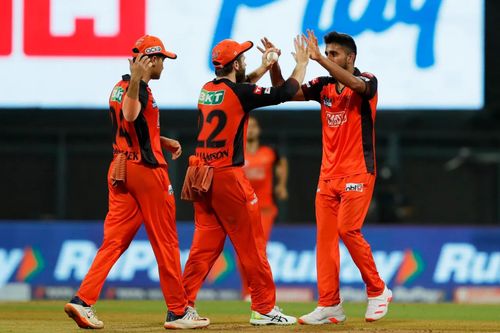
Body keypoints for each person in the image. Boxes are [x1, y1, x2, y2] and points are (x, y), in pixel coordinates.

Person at [63, 35, 209, 330]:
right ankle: (178, 312)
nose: (164, 66)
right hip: (146, 171)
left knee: (113, 242)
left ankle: (83, 301)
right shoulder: (136, 87)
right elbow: (131, 114)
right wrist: (137, 80)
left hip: (119, 168)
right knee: (166, 240)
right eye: (162, 60)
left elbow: (130, 125)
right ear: (150, 60)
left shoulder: (118, 88)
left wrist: (160, 139)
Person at [263, 30, 392, 324]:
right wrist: (274, 64)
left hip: (359, 170)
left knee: (348, 230)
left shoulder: (367, 80)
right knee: (324, 240)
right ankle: (330, 304)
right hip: (328, 177)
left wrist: (319, 59)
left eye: (334, 53)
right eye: (327, 52)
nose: (328, 56)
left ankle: (378, 289)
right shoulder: (323, 87)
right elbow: (284, 93)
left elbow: (356, 84)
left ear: (351, 57)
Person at [181, 36, 309, 325]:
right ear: (236, 63)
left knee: (203, 249)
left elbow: (241, 89)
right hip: (228, 176)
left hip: (201, 176)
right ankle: (264, 308)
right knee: (252, 245)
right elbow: (284, 92)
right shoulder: (240, 92)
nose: (246, 62)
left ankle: (180, 307)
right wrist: (301, 64)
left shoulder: (206, 90)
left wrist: (264, 67)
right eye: (243, 58)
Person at [238, 115, 288, 298]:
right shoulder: (238, 152)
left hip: (264, 208)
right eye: (247, 126)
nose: (250, 130)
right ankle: (247, 292)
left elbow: (282, 163)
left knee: (258, 250)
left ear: (258, 131)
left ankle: (261, 292)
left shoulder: (269, 152)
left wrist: (281, 185)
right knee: (243, 252)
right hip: (241, 210)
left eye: (253, 126)